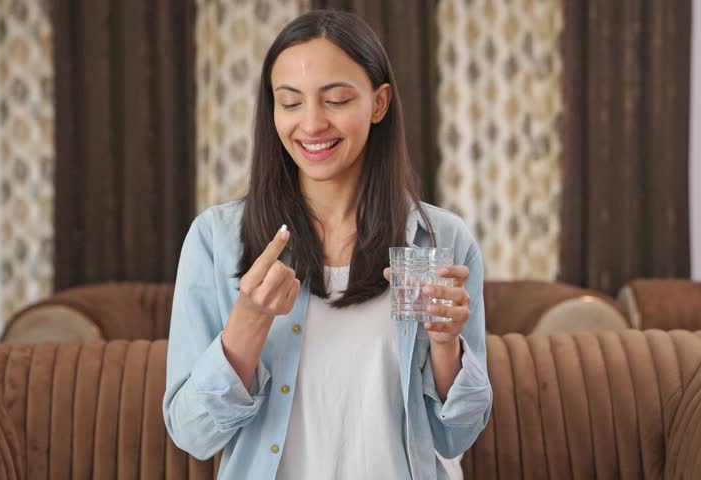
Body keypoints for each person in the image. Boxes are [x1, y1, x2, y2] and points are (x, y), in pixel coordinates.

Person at [163, 9, 491, 480]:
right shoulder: (217, 241)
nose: (312, 124)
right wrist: (248, 325)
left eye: (335, 99)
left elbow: (455, 437)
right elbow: (193, 436)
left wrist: (446, 345)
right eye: (290, 103)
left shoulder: (437, 240)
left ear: (378, 104)